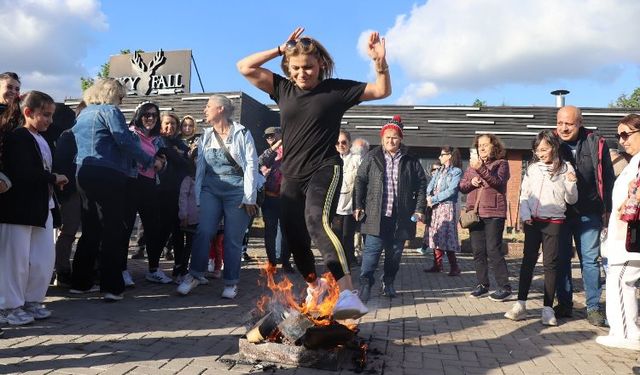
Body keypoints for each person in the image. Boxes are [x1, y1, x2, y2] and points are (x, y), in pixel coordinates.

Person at [237, 26, 391, 319]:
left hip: (325, 168)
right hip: (291, 175)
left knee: (316, 222)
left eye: (308, 67)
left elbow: (382, 89)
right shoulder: (282, 88)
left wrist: (379, 63)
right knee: (295, 239)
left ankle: (348, 293)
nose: (302, 73)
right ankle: (315, 285)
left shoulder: (336, 90)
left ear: (320, 63)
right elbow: (244, 66)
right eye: (295, 68)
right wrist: (279, 49)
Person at [71, 78, 164, 301]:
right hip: (108, 173)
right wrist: (151, 161)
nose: (122, 101)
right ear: (112, 93)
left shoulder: (84, 114)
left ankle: (81, 282)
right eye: (121, 96)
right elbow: (124, 140)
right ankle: (112, 287)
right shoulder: (110, 111)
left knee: (90, 228)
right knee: (113, 229)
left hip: (83, 172)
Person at [176, 94, 260, 299]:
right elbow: (201, 169)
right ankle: (194, 275)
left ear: (221, 109)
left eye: (208, 106)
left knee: (232, 238)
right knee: (204, 232)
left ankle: (231, 282)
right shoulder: (205, 136)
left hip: (237, 190)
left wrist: (249, 197)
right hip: (211, 189)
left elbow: (251, 165)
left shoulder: (242, 133)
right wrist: (198, 198)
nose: (204, 110)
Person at [0, 91, 68, 325]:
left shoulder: (42, 138)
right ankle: (8, 305)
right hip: (18, 208)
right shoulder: (17, 137)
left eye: (51, 115)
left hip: (42, 206)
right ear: (28, 112)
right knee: (15, 260)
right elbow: (23, 172)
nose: (50, 120)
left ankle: (32, 300)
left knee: (42, 259)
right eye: (45, 115)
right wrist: (53, 178)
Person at [505, 130, 578, 326]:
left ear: (554, 147)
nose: (540, 154)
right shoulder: (532, 168)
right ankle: (521, 304)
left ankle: (547, 308)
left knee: (550, 264)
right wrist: (525, 215)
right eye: (537, 150)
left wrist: (571, 184)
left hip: (554, 222)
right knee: (527, 261)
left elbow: (572, 199)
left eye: (544, 149)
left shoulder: (565, 168)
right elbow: (524, 195)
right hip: (533, 222)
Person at [354, 116, 427, 302]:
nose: (390, 141)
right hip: (375, 216)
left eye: (394, 137)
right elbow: (360, 180)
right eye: (387, 137)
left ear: (401, 138)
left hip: (400, 218)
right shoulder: (372, 157)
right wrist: (358, 205)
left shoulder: (410, 160)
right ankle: (365, 285)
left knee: (394, 256)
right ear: (382, 139)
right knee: (371, 253)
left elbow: (421, 185)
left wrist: (419, 209)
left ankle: (388, 282)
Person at [554, 105, 614, 326]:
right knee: (561, 259)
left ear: (579, 122)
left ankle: (593, 307)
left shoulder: (596, 143)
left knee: (589, 260)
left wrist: (608, 209)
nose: (563, 128)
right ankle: (565, 304)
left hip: (589, 212)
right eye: (560, 123)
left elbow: (608, 178)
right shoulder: (550, 142)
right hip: (559, 212)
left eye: (568, 123)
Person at [596, 114, 640, 350]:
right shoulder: (633, 162)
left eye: (626, 134)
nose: (622, 140)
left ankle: (624, 332)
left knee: (621, 281)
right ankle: (626, 330)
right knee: (621, 280)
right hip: (622, 233)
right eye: (619, 135)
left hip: (630, 235)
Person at [120, 102, 172, 286]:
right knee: (125, 228)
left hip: (150, 184)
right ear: (139, 115)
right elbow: (127, 157)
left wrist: (162, 163)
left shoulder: (158, 139)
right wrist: (154, 161)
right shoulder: (131, 134)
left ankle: (153, 269)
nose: (150, 118)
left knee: (153, 228)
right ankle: (122, 270)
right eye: (146, 115)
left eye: (154, 115)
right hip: (131, 183)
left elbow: (163, 166)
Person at [460, 134, 512, 301]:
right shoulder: (471, 166)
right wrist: (471, 182)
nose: (481, 148)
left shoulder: (502, 164)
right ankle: (482, 285)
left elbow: (497, 182)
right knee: (478, 251)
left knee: (493, 250)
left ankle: (504, 287)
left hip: (494, 213)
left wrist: (480, 169)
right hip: (475, 213)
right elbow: (462, 186)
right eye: (479, 145)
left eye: (485, 145)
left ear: (494, 147)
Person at [51, 105, 80, 288]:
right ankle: (62, 270)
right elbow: (63, 165)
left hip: (67, 189)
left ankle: (61, 269)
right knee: (68, 231)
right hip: (69, 189)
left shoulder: (61, 135)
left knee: (68, 232)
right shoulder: (67, 136)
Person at [423, 146, 463, 276]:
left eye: (442, 155)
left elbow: (452, 190)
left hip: (446, 206)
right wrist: (428, 196)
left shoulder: (456, 172)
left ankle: (454, 266)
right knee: (436, 234)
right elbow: (430, 185)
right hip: (435, 207)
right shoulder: (439, 170)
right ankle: (437, 264)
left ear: (449, 156)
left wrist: (434, 198)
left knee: (447, 236)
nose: (440, 157)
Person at [258, 126, 293, 272]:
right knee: (270, 232)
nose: (270, 138)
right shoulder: (268, 154)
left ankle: (285, 261)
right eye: (267, 137)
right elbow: (261, 162)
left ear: (280, 134)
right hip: (270, 198)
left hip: (287, 198)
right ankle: (272, 262)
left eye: (273, 135)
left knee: (287, 232)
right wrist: (276, 146)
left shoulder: (291, 150)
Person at [333, 129, 360, 268]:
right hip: (335, 205)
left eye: (344, 142)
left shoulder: (356, 159)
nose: (340, 145)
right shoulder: (331, 159)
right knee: (336, 236)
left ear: (349, 143)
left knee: (348, 236)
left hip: (350, 204)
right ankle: (338, 262)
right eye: (337, 143)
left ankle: (350, 260)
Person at [417, 161, 441, 255]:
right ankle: (424, 247)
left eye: (437, 169)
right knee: (428, 229)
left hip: (439, 210)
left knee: (438, 230)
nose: (435, 171)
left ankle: (439, 250)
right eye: (433, 169)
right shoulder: (430, 182)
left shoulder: (443, 181)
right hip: (430, 210)